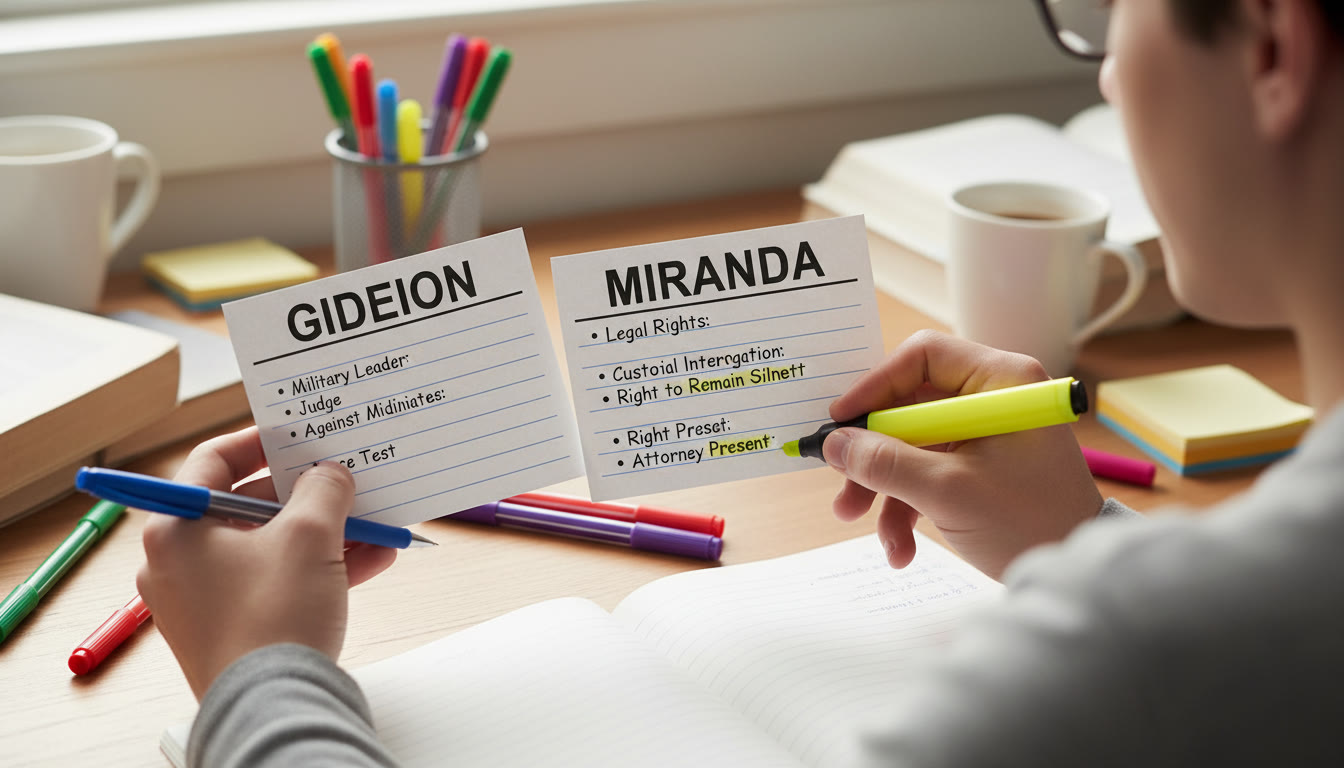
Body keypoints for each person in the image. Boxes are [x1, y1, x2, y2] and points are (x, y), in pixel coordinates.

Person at [137, 0, 1344, 765]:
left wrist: (258, 684)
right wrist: (1078, 543)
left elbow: (1193, 660)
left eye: (1100, 16)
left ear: (1273, 44)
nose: (1108, 80)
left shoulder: (1140, 656)